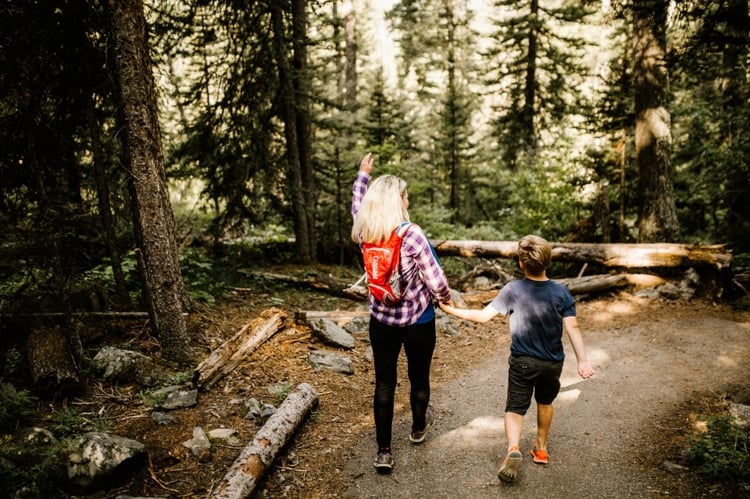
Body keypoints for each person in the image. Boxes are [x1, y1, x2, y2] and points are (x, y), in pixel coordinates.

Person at [439, 234, 596, 483]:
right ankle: (541, 448)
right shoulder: (561, 293)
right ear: (548, 262)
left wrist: (450, 309)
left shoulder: (513, 289)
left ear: (521, 263)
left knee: (515, 408)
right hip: (552, 363)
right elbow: (573, 329)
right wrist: (583, 361)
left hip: (523, 362)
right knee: (545, 403)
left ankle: (513, 449)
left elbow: (482, 316)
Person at [351, 153, 454, 473]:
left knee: (384, 383)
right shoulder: (411, 234)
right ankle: (418, 428)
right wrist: (444, 301)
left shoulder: (365, 229)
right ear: (400, 200)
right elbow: (437, 280)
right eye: (406, 196)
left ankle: (383, 452)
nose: (408, 200)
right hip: (418, 321)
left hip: (380, 321)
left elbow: (356, 205)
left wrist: (362, 175)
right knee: (418, 376)